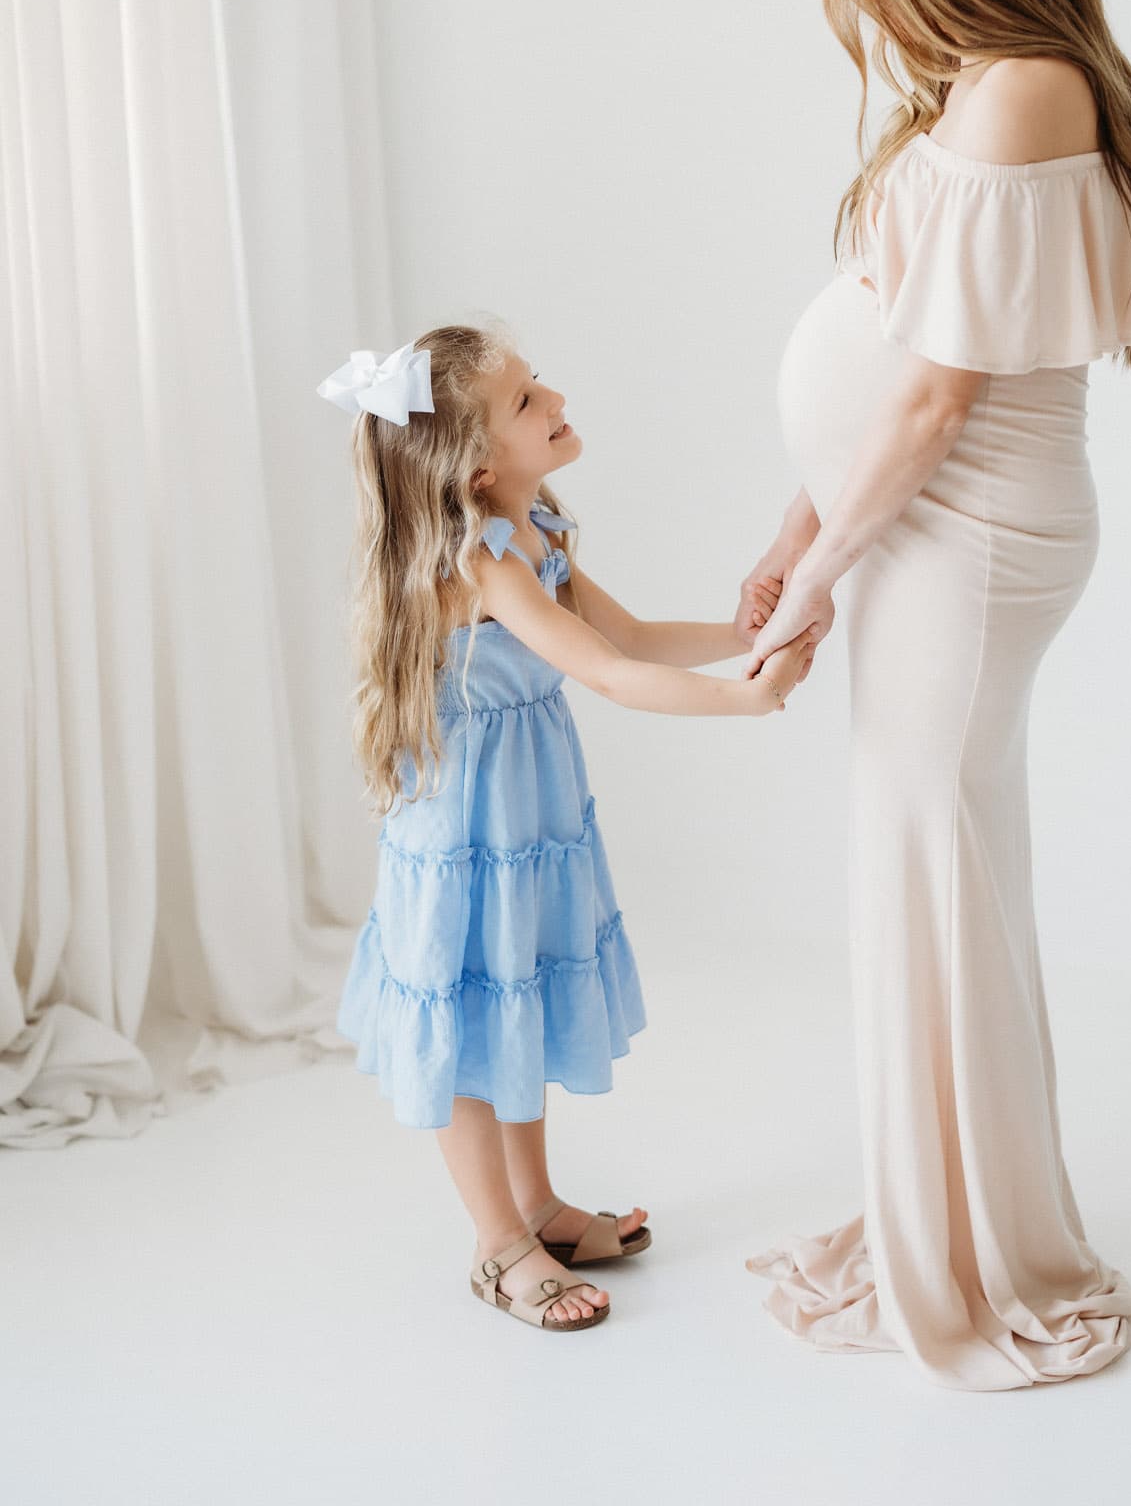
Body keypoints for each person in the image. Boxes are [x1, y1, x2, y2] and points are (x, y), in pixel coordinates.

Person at [739, 0, 1131, 1391]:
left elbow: (934, 395)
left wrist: (823, 569)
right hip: (915, 529)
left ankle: (985, 1255)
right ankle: (946, 1215)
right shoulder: (973, 88)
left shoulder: (1022, 89)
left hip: (969, 539)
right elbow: (893, 357)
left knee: (929, 874)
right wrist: (801, 531)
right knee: (929, 873)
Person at [317, 323, 815, 1334]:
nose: (554, 399)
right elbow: (610, 674)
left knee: (521, 995)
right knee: (470, 1011)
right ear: (479, 461)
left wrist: (751, 629)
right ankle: (500, 1242)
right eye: (526, 398)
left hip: (527, 810)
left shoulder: (531, 528)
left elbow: (625, 635)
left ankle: (538, 1204)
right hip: (468, 824)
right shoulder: (479, 562)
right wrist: (746, 700)